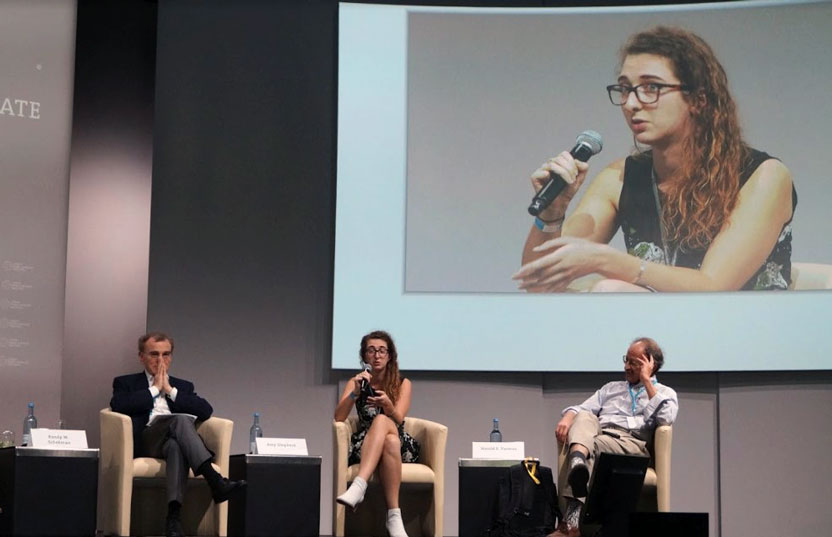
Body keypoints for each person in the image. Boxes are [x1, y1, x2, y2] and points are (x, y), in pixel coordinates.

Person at [514, 26, 796, 293]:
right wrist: (551, 214)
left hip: (746, 334)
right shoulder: (619, 179)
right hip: (657, 335)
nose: (631, 103)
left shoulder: (763, 176)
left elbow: (713, 287)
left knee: (610, 290)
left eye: (651, 88)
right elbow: (539, 285)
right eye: (625, 88)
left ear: (698, 99)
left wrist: (604, 260)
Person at [110, 332, 246, 537]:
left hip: (172, 441)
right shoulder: (126, 383)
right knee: (181, 420)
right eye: (154, 354)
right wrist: (155, 390)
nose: (160, 360)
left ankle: (173, 520)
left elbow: (205, 410)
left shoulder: (183, 386)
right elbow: (119, 405)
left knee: (176, 445)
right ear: (141, 357)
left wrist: (170, 390)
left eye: (165, 354)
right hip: (147, 440)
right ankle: (214, 479)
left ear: (171, 357)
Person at [552, 337, 678, 537]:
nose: (627, 367)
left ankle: (570, 524)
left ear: (650, 365)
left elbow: (666, 418)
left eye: (634, 363)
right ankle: (578, 461)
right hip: (600, 437)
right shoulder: (611, 388)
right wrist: (568, 416)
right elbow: (582, 408)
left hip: (631, 444)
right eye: (626, 360)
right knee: (584, 417)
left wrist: (646, 381)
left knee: (589, 447)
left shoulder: (664, 393)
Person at [334, 330, 420, 537]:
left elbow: (399, 419)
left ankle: (359, 485)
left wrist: (388, 407)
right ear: (364, 357)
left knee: (384, 424)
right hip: (367, 443)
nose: (377, 355)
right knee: (388, 442)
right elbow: (339, 417)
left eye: (382, 351)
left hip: (402, 442)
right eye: (371, 351)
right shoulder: (356, 382)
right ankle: (394, 517)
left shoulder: (402, 383)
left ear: (390, 356)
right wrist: (355, 392)